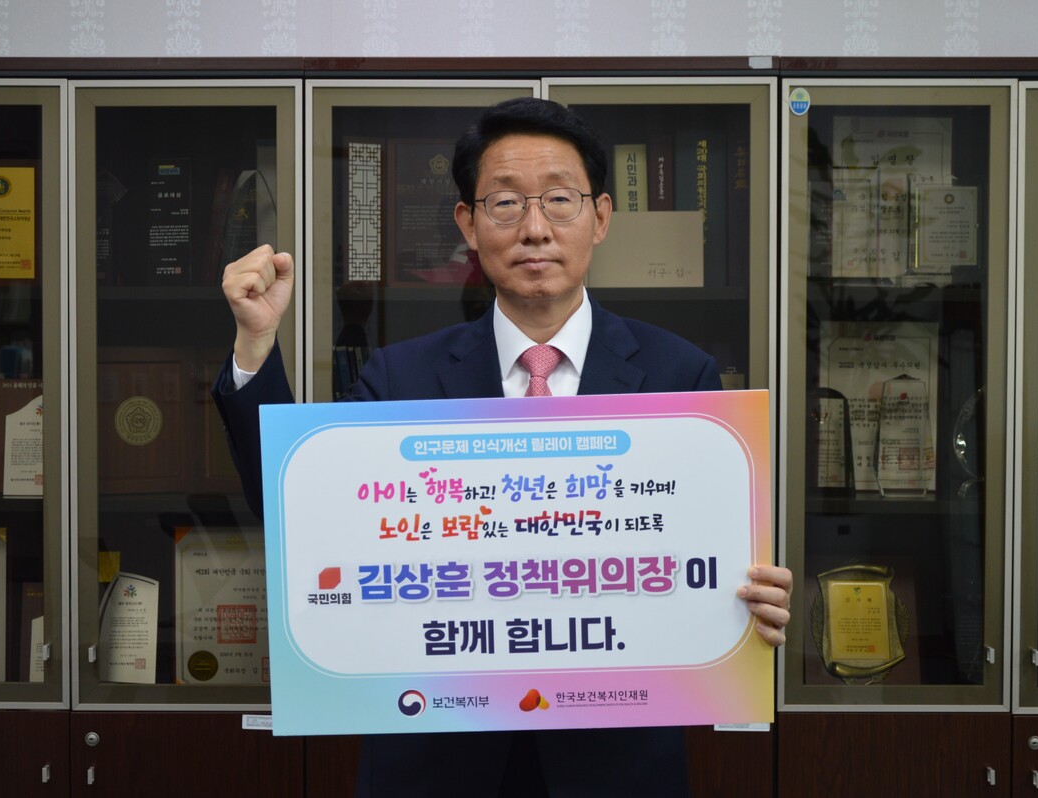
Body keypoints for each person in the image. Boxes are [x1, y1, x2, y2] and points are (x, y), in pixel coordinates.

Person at [213, 96, 792, 798]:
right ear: (468, 223)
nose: (535, 228)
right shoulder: (401, 377)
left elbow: (703, 563)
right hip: (436, 761)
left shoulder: (681, 376)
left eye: (560, 200)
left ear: (601, 217)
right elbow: (298, 513)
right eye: (506, 203)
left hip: (614, 765)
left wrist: (748, 602)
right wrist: (255, 344)